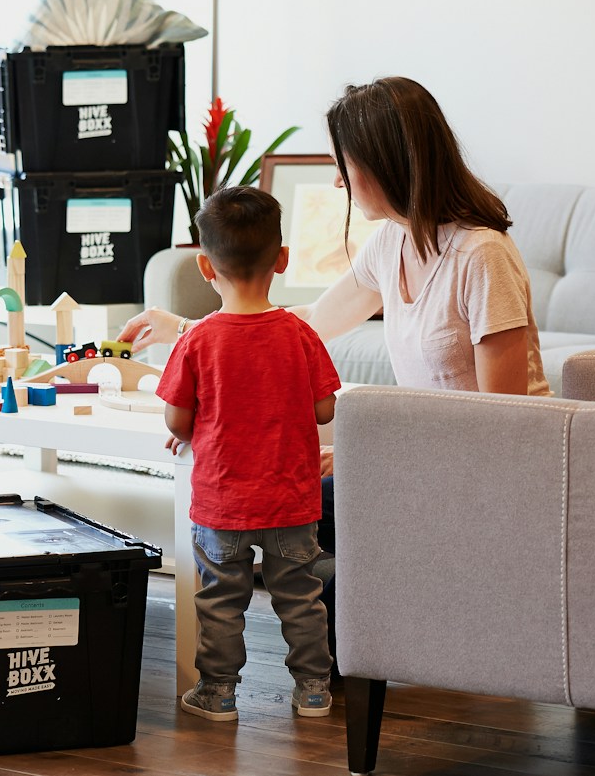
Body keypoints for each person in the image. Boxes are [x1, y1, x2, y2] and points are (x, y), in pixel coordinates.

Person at [121, 76, 549, 666]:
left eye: (344, 164)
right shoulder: (391, 245)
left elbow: (504, 425)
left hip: (488, 479)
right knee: (269, 510)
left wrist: (364, 451)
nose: (337, 181)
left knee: (308, 548)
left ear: (387, 161)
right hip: (418, 466)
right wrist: (192, 330)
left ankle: (383, 634)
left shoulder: (482, 257)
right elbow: (306, 325)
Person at [156, 185, 340, 722]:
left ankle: (218, 693)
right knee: (301, 597)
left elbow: (176, 420)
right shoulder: (300, 335)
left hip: (223, 505)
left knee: (220, 601)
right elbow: (325, 410)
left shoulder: (197, 340)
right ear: (282, 260)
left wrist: (192, 427)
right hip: (292, 502)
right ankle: (312, 689)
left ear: (203, 267)